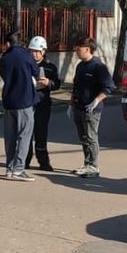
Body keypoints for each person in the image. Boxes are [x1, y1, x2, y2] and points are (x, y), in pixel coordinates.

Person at [0, 31, 40, 181]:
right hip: (25, 100)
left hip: (9, 101)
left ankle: (9, 168)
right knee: (24, 136)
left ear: (8, 43)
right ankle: (18, 169)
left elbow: (2, 74)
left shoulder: (4, 58)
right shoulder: (26, 56)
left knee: (10, 137)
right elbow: (36, 72)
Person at [69, 36, 113, 178]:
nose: (76, 50)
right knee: (83, 137)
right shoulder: (80, 66)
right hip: (78, 107)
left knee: (91, 137)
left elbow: (109, 87)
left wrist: (96, 101)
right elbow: (75, 87)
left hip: (91, 109)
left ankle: (93, 166)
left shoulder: (98, 67)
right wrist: (71, 105)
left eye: (79, 48)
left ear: (87, 49)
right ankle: (87, 163)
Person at [24, 35, 60, 171]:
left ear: (43, 52)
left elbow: (57, 83)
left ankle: (43, 161)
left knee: (41, 133)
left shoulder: (50, 67)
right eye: (31, 51)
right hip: (27, 102)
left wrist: (48, 83)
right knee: (26, 133)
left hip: (42, 103)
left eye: (36, 51)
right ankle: (24, 160)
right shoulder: (25, 65)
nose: (33, 54)